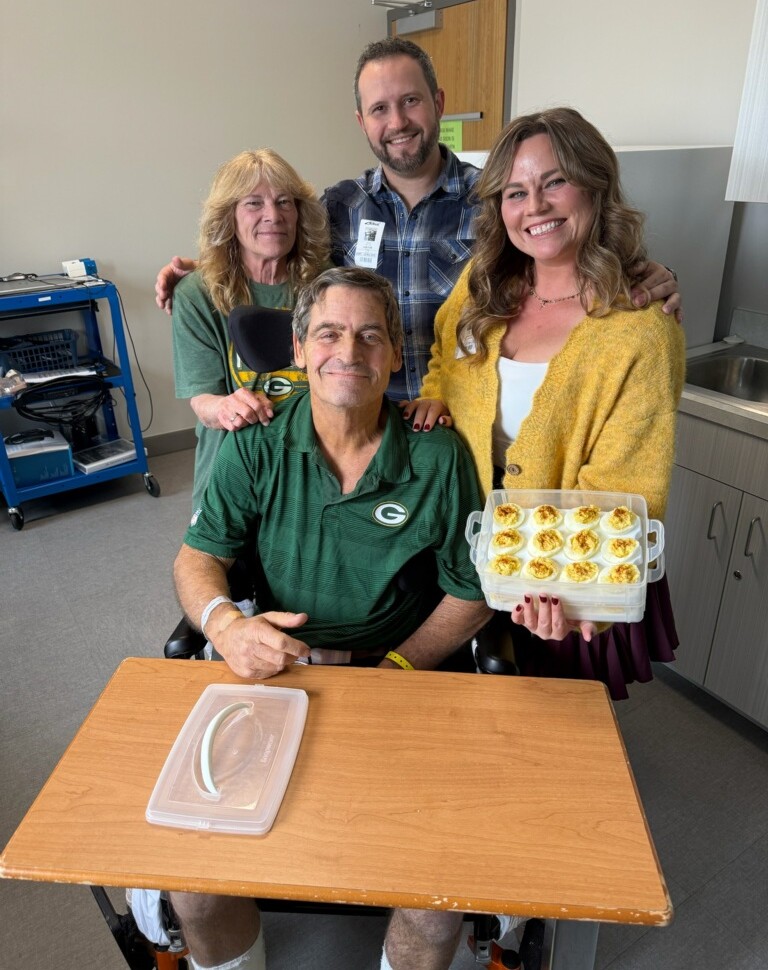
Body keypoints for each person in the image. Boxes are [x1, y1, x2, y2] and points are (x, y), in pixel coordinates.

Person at [171, 266, 492, 970]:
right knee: (191, 886)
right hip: (279, 677)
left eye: (370, 335)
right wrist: (225, 627)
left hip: (396, 679)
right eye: (329, 333)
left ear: (396, 354)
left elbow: (472, 592)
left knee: (437, 901)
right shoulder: (254, 442)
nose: (349, 351)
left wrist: (399, 665)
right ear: (298, 347)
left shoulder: (439, 455)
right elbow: (197, 559)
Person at [156, 39, 682, 401]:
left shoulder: (499, 201)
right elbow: (274, 247)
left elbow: (566, 255)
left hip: (461, 422)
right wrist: (203, 269)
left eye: (410, 101)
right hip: (367, 424)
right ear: (362, 121)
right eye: (379, 109)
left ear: (438, 103)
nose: (398, 121)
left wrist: (647, 273)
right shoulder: (337, 208)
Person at [406, 106, 687, 701]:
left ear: (595, 185)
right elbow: (443, 354)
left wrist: (567, 586)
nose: (534, 206)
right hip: (465, 542)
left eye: (554, 182)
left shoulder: (640, 331)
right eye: (515, 192)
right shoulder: (482, 283)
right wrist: (434, 395)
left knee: (549, 723)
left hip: (562, 570)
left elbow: (624, 490)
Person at [172, 148, 329, 512]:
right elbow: (202, 400)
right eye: (254, 204)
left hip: (312, 468)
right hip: (233, 468)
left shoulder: (327, 284)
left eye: (284, 202)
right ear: (229, 216)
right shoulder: (198, 294)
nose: (273, 215)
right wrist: (225, 407)